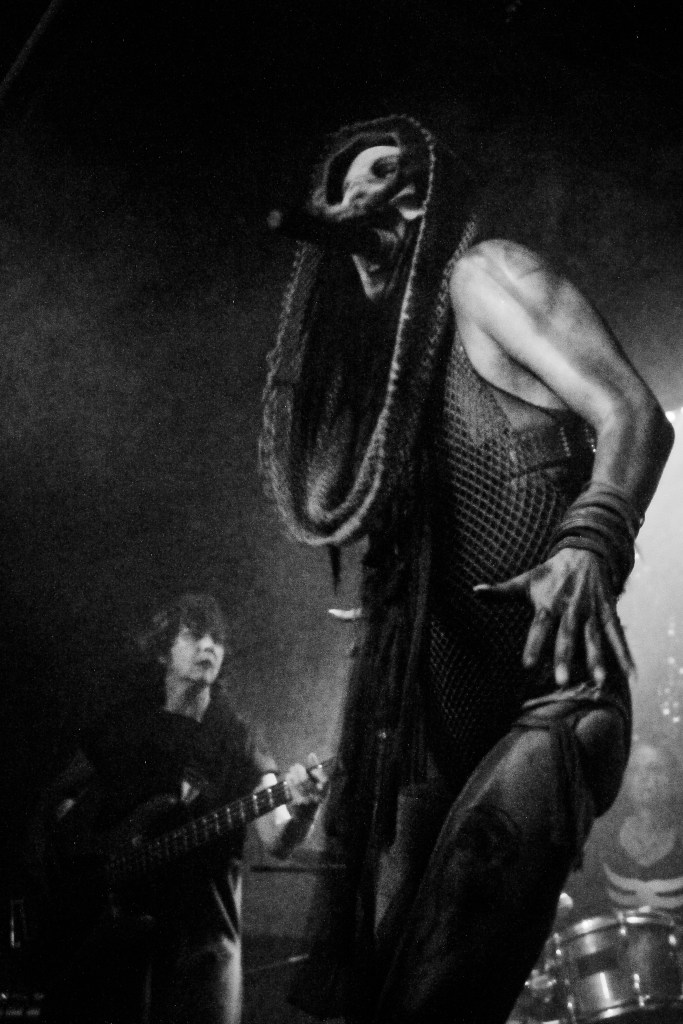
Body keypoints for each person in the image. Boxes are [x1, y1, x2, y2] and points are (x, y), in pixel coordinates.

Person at [259, 115, 675, 1024]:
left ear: (429, 199)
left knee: (437, 999)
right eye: (353, 183)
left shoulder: (485, 277)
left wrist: (588, 542)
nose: (374, 193)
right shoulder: (390, 384)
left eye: (394, 174)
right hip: (432, 732)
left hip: (549, 701)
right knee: (376, 993)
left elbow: (634, 414)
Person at [30, 592, 328, 1024]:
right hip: (120, 942)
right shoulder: (126, 724)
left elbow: (278, 840)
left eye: (217, 639)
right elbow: (56, 802)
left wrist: (304, 810)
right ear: (162, 650)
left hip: (204, 948)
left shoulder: (237, 737)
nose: (209, 645)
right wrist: (78, 855)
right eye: (194, 634)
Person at [568, 734, 683, 923]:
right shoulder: (605, 838)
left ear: (673, 779)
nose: (643, 778)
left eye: (654, 769)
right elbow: (587, 905)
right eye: (635, 770)